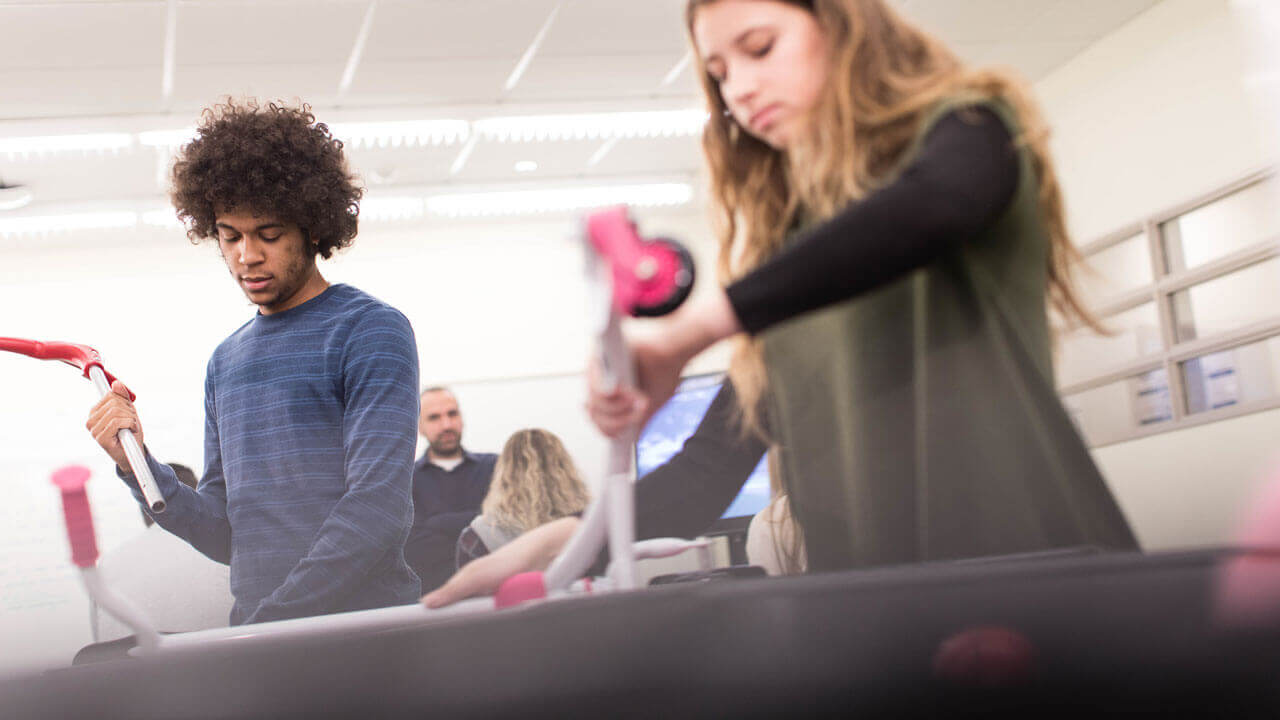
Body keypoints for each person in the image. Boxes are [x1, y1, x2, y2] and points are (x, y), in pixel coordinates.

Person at [425, 0, 1138, 607]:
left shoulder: (973, 130)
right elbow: (702, 477)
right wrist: (564, 539)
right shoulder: (790, 274)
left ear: (840, 23)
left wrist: (690, 333)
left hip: (1043, 586)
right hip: (885, 613)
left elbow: (935, 205)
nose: (739, 88)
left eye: (760, 48)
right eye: (719, 73)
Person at [86, 99, 421, 625]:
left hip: (365, 631)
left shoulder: (369, 330)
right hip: (264, 640)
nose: (247, 255)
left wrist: (268, 623)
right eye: (230, 236)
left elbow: (377, 509)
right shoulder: (226, 361)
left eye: (268, 234)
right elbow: (226, 533)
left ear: (312, 228)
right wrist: (138, 466)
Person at [89, 463, 233, 643]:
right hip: (218, 660)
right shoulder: (227, 549)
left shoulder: (106, 565)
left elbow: (98, 637)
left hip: (124, 665)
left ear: (145, 509)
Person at [404, 387, 498, 590]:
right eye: (434, 418)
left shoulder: (496, 467)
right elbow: (413, 549)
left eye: (452, 414)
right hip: (431, 605)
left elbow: (508, 527)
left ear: (462, 418)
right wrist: (478, 522)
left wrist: (436, 523)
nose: (446, 424)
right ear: (419, 426)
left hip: (493, 596)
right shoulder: (404, 481)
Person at [455, 429, 590, 569]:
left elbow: (470, 590)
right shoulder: (590, 525)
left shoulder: (477, 535)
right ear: (565, 468)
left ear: (504, 473)